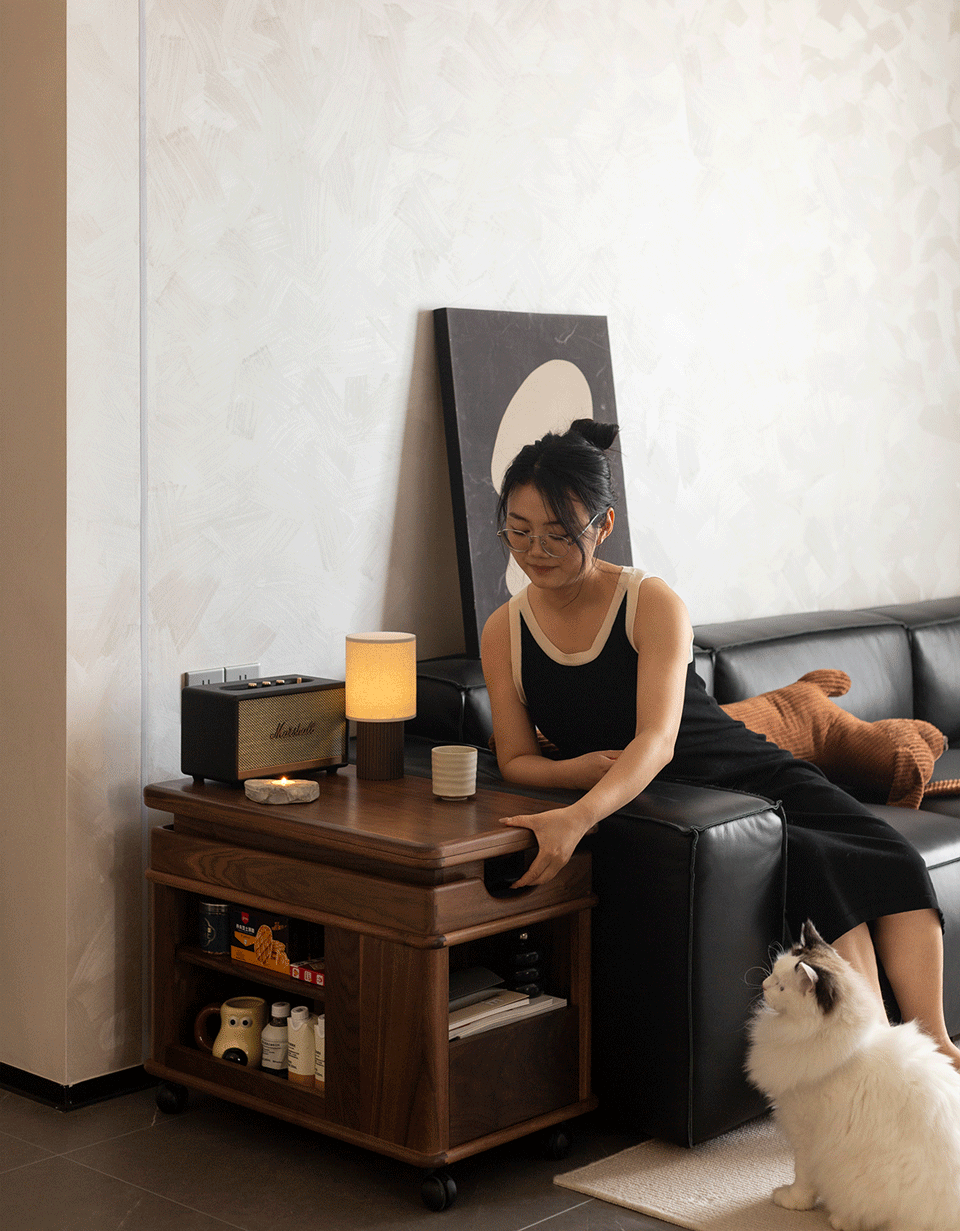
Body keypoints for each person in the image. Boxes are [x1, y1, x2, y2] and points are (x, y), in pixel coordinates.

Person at [480, 419, 960, 1069]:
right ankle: (877, 1062)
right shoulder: (504, 631)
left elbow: (658, 738)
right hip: (683, 802)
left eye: (559, 533)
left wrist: (582, 808)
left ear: (603, 524)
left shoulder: (650, 602)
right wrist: (579, 774)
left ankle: (934, 1046)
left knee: (885, 851)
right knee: (823, 865)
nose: (535, 550)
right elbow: (514, 758)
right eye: (518, 528)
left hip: (738, 766)